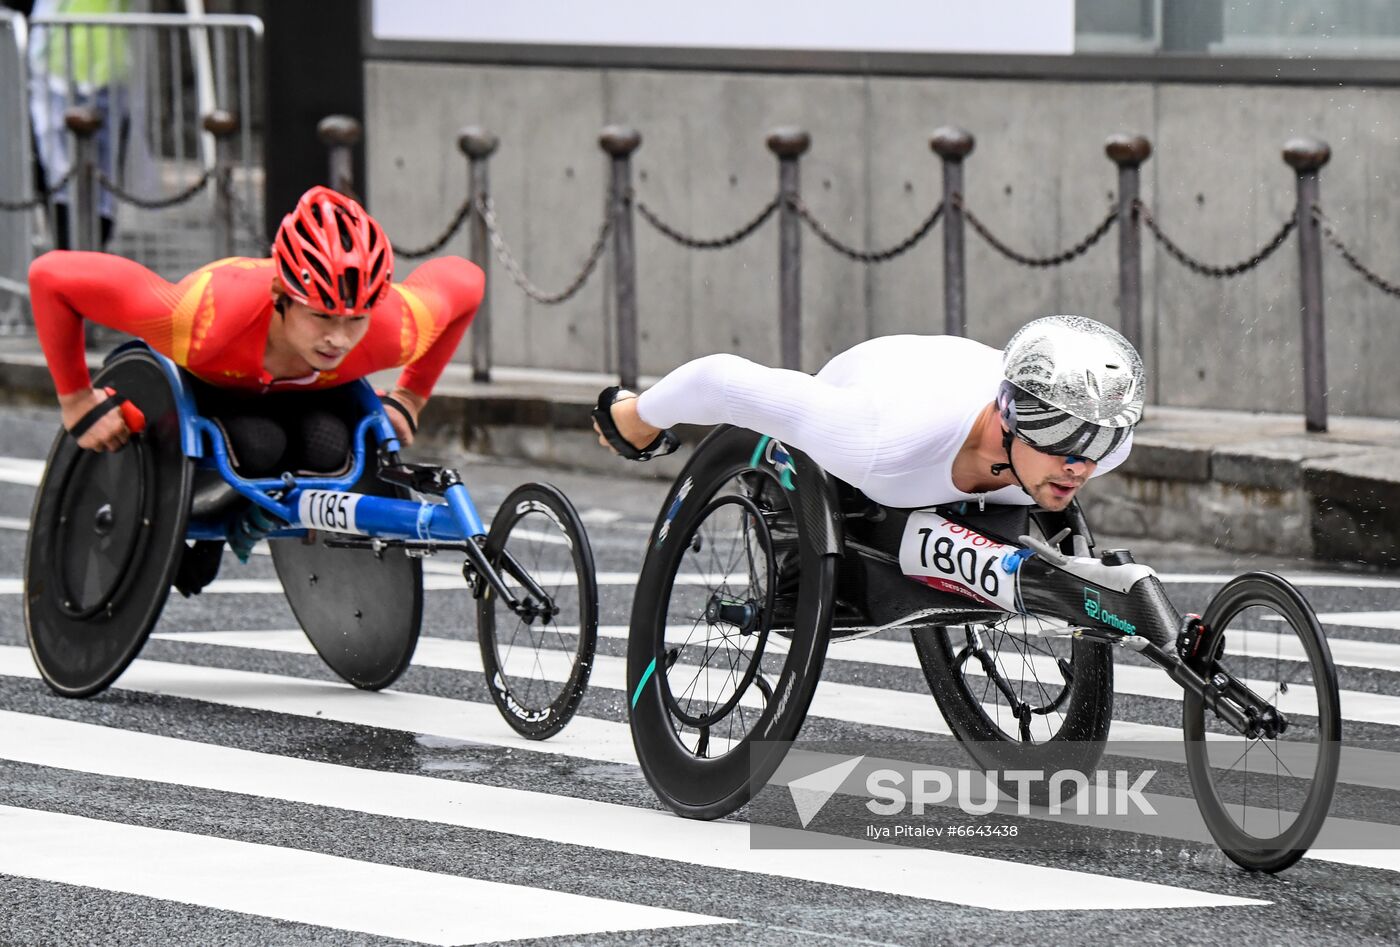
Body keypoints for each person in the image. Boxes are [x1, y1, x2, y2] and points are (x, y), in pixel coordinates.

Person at [28, 184, 484, 582]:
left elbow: (467, 281)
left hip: (303, 399)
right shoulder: (201, 319)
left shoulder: (395, 327)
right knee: (257, 442)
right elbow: (52, 276)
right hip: (208, 388)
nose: (339, 338)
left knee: (330, 447)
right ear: (280, 296)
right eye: (321, 315)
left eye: (356, 319)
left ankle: (250, 517)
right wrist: (76, 400)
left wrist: (409, 396)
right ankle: (206, 525)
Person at [592, 315, 1143, 513]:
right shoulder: (880, 442)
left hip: (970, 374)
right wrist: (637, 418)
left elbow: (1083, 439)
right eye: (1060, 443)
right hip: (885, 380)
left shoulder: (1108, 441)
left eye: (1091, 447)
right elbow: (721, 382)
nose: (1079, 467)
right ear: (1010, 421)